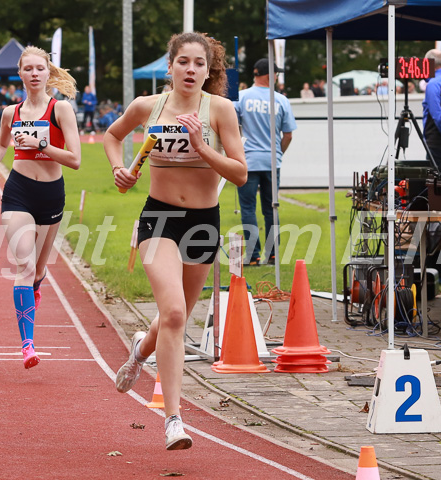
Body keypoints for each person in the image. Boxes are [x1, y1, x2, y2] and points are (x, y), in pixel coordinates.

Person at [105, 32, 246, 450]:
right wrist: (120, 170)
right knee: (172, 313)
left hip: (203, 222)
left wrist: (203, 146)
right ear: (170, 67)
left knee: (176, 316)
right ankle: (173, 419)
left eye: (198, 63)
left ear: (208, 70)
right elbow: (114, 137)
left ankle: (138, 353)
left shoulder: (220, 110)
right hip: (159, 218)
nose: (190, 69)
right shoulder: (147, 107)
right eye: (183, 62)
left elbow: (239, 172)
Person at [0, 46, 80, 370]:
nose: (35, 74)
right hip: (18, 192)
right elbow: (0, 142)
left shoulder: (60, 110)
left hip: (51, 194)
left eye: (40, 68)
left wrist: (43, 145)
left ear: (48, 73)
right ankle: (28, 344)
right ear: (21, 74)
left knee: (38, 270)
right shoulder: (11, 112)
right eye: (29, 69)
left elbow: (75, 160)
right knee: (23, 265)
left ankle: (35, 286)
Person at [234, 58, 297, 266]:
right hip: (272, 162)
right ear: (271, 75)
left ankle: (253, 256)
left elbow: (232, 127)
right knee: (272, 208)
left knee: (248, 208)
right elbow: (288, 135)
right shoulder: (281, 100)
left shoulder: (241, 97)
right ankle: (272, 254)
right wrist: (279, 152)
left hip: (248, 161)